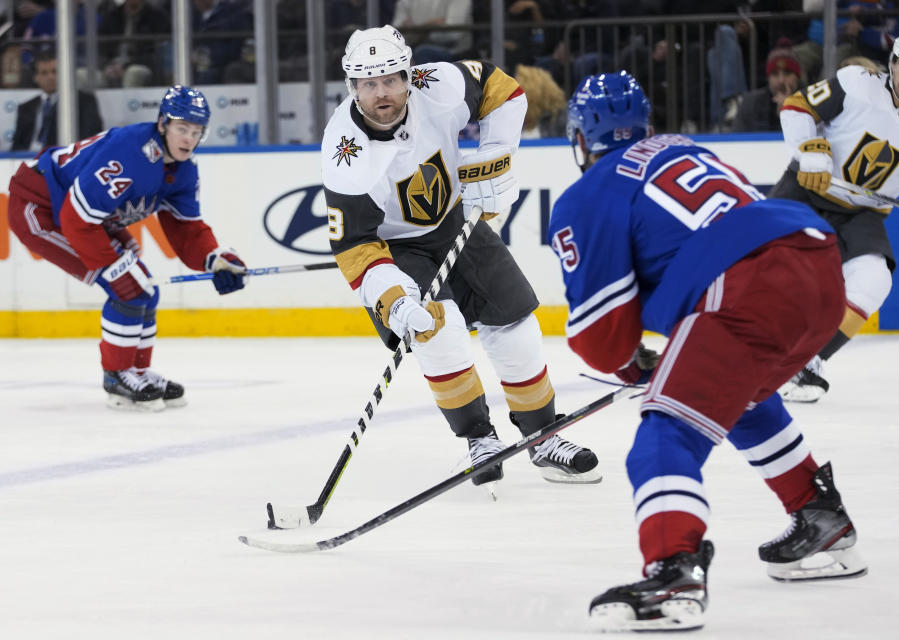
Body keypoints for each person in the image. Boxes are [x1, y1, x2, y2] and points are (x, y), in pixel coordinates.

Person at [550, 71, 867, 632]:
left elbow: (601, 335)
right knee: (738, 393)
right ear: (644, 125)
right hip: (818, 263)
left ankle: (674, 572)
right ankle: (821, 518)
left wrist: (631, 366)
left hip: (749, 284)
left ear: (579, 140)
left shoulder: (588, 192)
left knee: (663, 433)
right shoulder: (682, 147)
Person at [322, 25, 600, 485]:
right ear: (352, 87)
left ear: (408, 75)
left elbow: (504, 90)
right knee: (437, 329)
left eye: (390, 78)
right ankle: (479, 439)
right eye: (368, 84)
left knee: (515, 324)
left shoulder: (440, 85)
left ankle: (544, 436)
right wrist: (393, 300)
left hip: (455, 219)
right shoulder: (345, 153)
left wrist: (494, 158)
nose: (382, 93)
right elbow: (354, 244)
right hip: (395, 246)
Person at [6, 84, 248, 411]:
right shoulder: (129, 153)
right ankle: (116, 376)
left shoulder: (184, 170)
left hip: (85, 217)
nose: (189, 139)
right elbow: (76, 218)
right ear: (162, 124)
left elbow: (186, 229)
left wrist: (215, 259)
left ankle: (137, 371)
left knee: (144, 286)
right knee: (129, 287)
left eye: (195, 131)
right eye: (181, 128)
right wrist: (112, 267)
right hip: (39, 207)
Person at [771, 25, 899, 402]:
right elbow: (797, 107)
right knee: (762, 270)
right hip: (807, 191)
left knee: (875, 280)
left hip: (864, 215)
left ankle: (808, 361)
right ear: (891, 62)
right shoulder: (856, 82)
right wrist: (810, 148)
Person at [11, 49, 103, 152]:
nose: (50, 77)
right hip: (26, 160)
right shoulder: (26, 107)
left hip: (61, 159)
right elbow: (16, 146)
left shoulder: (84, 102)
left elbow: (91, 139)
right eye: (44, 73)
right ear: (36, 78)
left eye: (55, 72)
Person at [732, 41, 803, 132]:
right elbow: (737, 141)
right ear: (768, 78)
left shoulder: (812, 103)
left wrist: (788, 114)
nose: (781, 80)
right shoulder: (750, 103)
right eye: (775, 74)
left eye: (787, 73)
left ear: (797, 77)